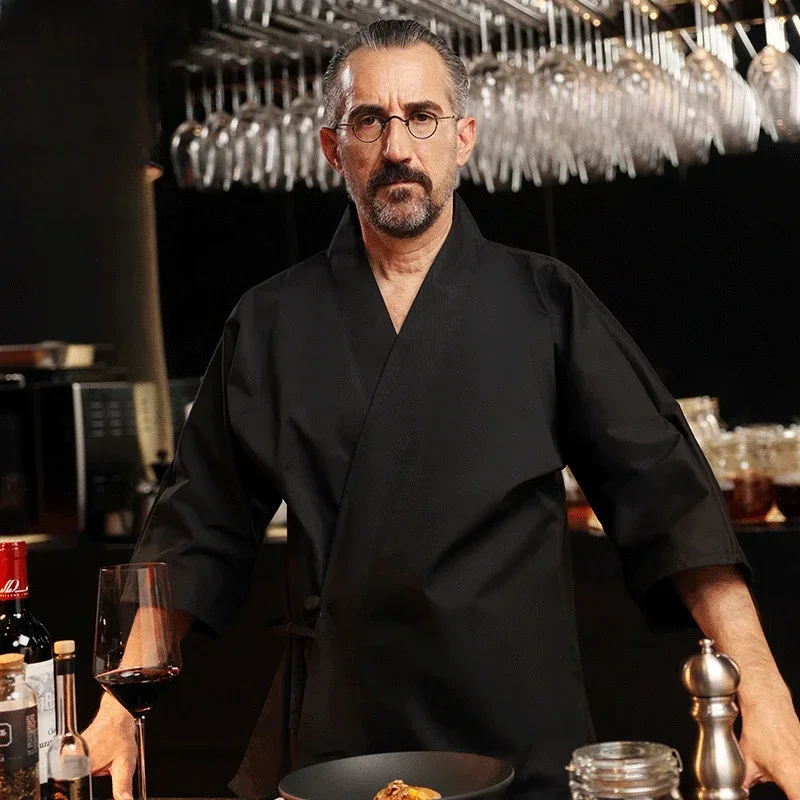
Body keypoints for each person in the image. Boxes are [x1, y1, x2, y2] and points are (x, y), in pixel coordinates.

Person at [84, 19, 800, 800]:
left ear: (463, 139)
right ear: (333, 150)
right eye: (369, 121)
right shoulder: (270, 323)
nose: (398, 146)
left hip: (519, 740)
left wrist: (762, 688)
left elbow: (668, 497)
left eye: (422, 117)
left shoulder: (544, 302)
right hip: (346, 744)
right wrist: (118, 712)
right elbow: (195, 531)